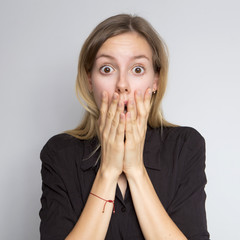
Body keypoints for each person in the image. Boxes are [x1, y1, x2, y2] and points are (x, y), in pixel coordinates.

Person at [39, 14, 210, 240]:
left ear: (156, 80)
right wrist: (108, 171)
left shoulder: (185, 146)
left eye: (137, 69)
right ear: (90, 80)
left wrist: (136, 170)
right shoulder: (59, 153)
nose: (122, 85)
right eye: (107, 69)